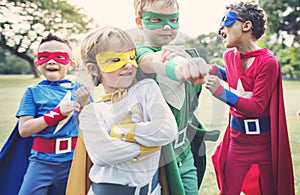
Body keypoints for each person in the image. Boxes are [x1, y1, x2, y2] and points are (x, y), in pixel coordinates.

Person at [68, 26, 178, 195]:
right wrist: (149, 146)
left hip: (152, 190)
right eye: (115, 60)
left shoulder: (147, 89)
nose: (128, 65)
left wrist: (121, 132)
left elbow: (168, 130)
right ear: (93, 68)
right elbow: (104, 155)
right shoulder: (91, 111)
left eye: (131, 57)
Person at [204, 1, 295, 194]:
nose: (221, 28)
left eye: (226, 21)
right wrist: (211, 70)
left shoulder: (267, 62)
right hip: (238, 141)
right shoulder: (230, 56)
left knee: (270, 190)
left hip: (264, 144)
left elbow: (257, 107)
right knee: (228, 190)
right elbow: (237, 79)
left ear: (246, 26)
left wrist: (220, 92)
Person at [133, 0, 220, 194]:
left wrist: (188, 61)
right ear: (140, 22)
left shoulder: (185, 54)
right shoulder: (139, 54)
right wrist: (180, 67)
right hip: (155, 157)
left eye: (173, 20)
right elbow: (154, 61)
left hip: (184, 151)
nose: (166, 26)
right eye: (156, 19)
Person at [12, 33, 90, 195]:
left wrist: (85, 105)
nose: (52, 61)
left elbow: (93, 127)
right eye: (45, 56)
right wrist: (57, 113)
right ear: (37, 63)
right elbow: (24, 129)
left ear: (71, 63)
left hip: (74, 161)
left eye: (60, 56)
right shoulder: (32, 92)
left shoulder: (80, 90)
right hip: (41, 162)